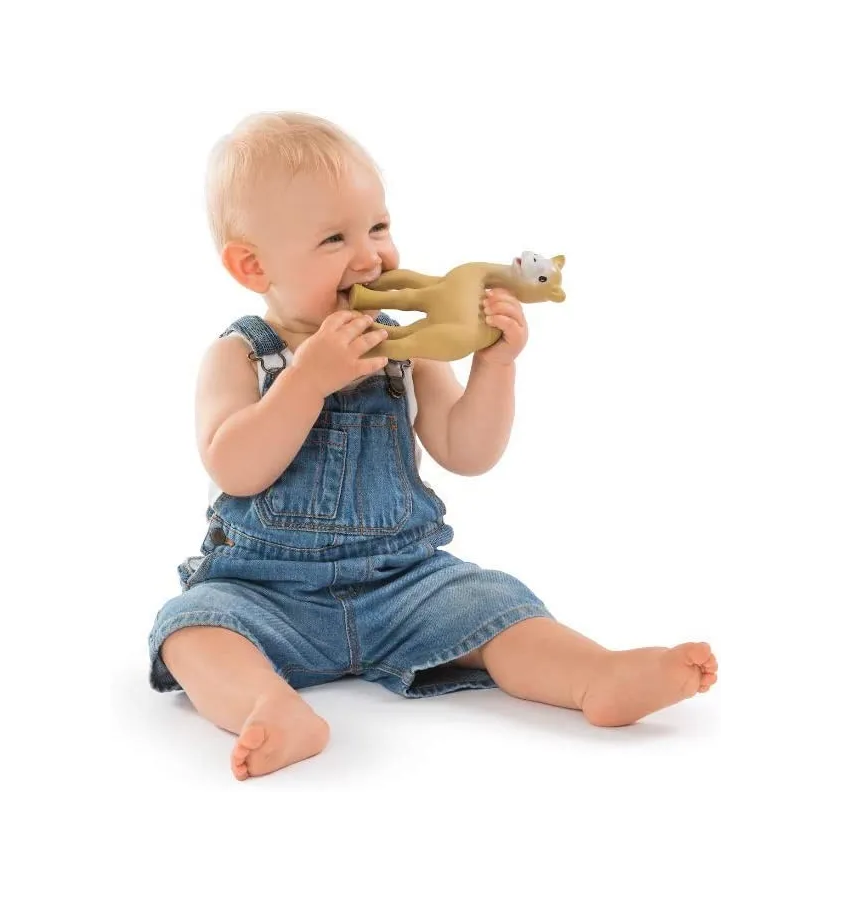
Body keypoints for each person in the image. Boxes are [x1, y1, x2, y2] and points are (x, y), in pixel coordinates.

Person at [147, 111, 718, 780]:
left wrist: (494, 366)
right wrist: (306, 381)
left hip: (404, 584)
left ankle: (596, 675)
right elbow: (235, 468)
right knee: (190, 627)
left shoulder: (406, 345)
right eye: (334, 238)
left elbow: (466, 451)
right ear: (253, 266)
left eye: (378, 227)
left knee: (493, 602)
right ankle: (268, 707)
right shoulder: (241, 355)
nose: (371, 257)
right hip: (268, 593)